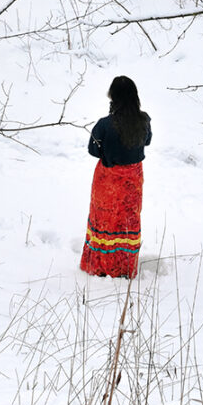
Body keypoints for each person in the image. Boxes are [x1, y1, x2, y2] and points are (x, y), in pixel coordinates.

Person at [80, 76, 152, 279]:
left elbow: (93, 150)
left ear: (113, 97)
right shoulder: (144, 120)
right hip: (133, 182)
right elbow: (147, 141)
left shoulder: (104, 125)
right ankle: (124, 266)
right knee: (128, 219)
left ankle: (102, 266)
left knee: (105, 219)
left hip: (108, 180)